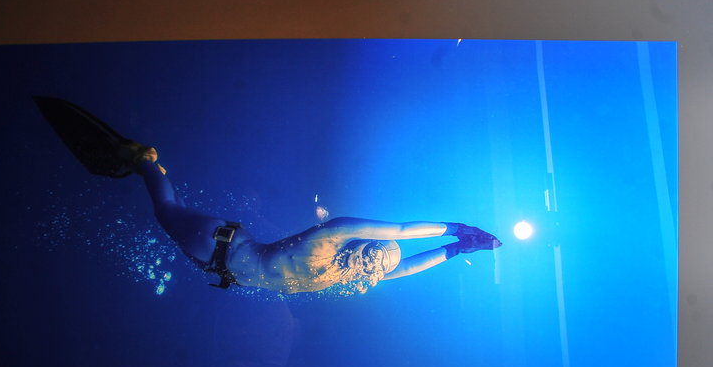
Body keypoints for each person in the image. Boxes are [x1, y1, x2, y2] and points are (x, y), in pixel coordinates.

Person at [34, 97, 501, 294]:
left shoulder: (348, 270)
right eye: (379, 262)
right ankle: (143, 160)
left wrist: (455, 246)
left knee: (169, 212)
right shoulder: (333, 250)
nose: (379, 271)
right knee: (166, 209)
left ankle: (150, 169)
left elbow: (403, 260)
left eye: (380, 268)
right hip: (221, 246)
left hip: (221, 264)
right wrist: (455, 231)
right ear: (365, 252)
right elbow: (399, 236)